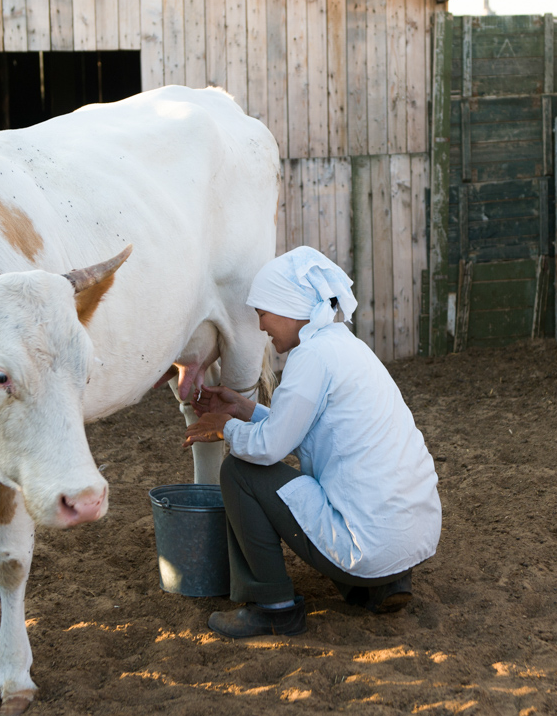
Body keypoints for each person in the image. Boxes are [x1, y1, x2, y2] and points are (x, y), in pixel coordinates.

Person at [182, 246, 442, 639]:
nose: (262, 326)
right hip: (411, 537)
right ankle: (384, 584)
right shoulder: (344, 345)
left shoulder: (311, 358)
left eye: (263, 313)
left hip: (367, 546)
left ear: (288, 309)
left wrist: (225, 428)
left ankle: (272, 606)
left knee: (239, 470)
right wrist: (245, 409)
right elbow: (301, 428)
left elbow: (270, 448)